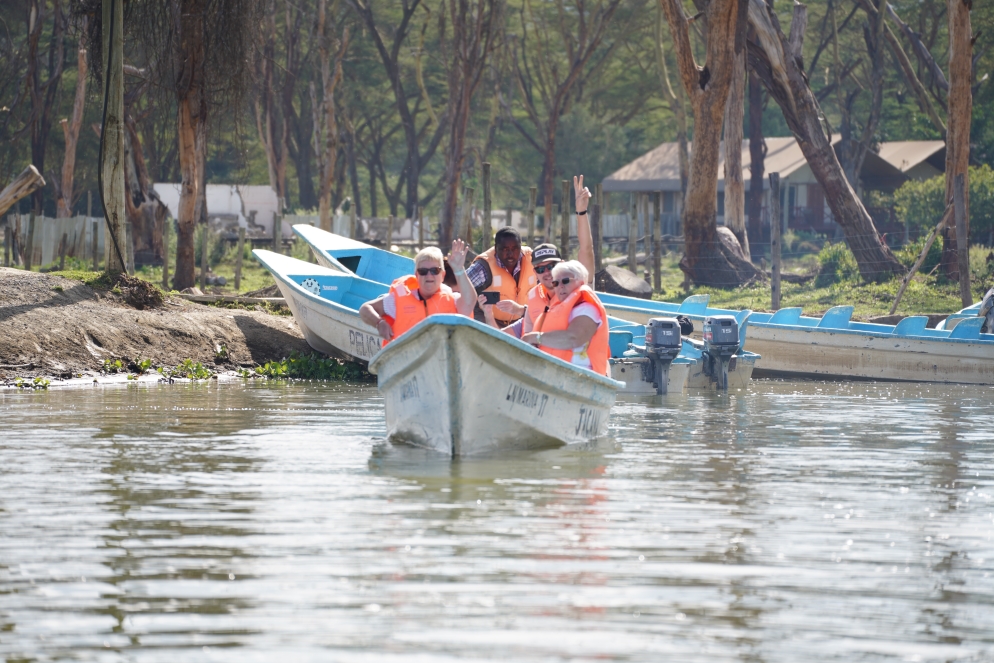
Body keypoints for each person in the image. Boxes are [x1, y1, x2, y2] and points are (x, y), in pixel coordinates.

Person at [479, 175, 598, 338]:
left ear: (562, 265)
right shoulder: (534, 300)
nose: (547, 272)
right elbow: (502, 339)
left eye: (552, 266)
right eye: (541, 269)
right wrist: (488, 314)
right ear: (535, 274)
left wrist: (581, 211)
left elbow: (586, 249)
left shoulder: (576, 285)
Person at [360, 239, 475, 345]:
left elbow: (470, 302)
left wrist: (459, 269)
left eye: (435, 270)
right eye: (423, 271)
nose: (429, 275)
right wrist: (379, 323)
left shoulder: (453, 300)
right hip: (406, 359)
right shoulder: (397, 300)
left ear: (443, 275)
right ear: (416, 275)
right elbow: (365, 308)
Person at [520, 260, 610, 377]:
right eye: (555, 283)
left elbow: (574, 338)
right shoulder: (557, 309)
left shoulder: (587, 308)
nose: (560, 286)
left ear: (581, 282)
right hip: (554, 375)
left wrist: (535, 337)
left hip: (582, 378)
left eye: (565, 281)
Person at [465, 226, 536, 326]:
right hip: (486, 320)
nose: (510, 254)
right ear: (496, 248)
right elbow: (460, 289)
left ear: (520, 247)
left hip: (521, 321)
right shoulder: (483, 266)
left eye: (515, 249)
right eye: (505, 249)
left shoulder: (532, 260)